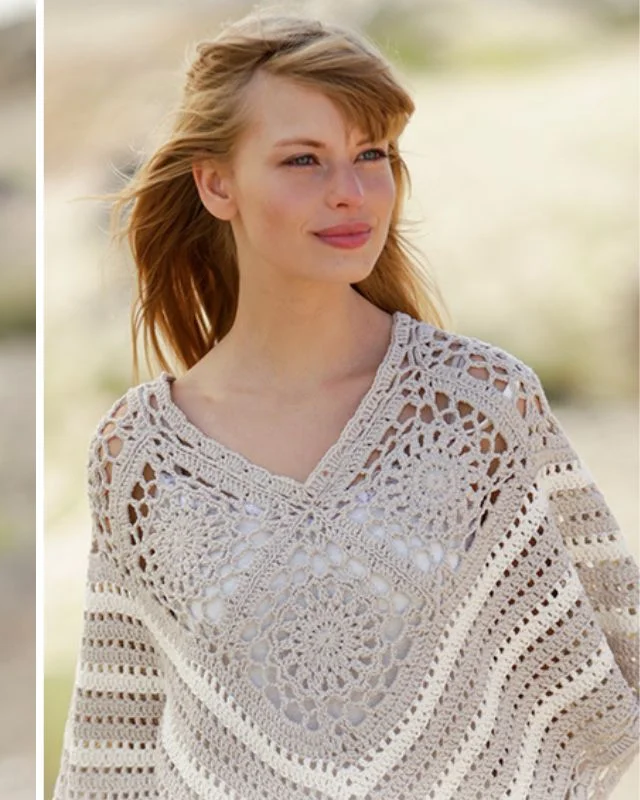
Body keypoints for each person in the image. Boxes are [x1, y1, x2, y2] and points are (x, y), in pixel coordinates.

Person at [53, 13, 638, 799]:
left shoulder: (477, 407)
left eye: (373, 156)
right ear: (216, 183)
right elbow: (116, 751)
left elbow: (594, 671)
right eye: (304, 160)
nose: (352, 194)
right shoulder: (141, 453)